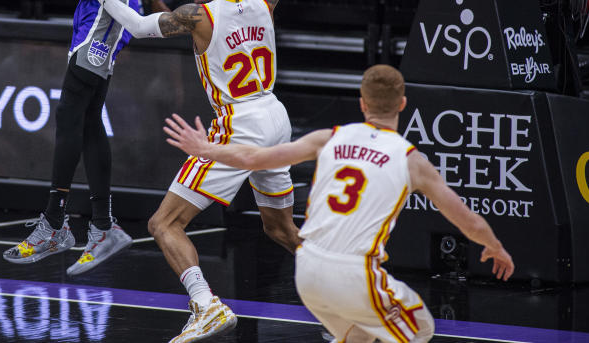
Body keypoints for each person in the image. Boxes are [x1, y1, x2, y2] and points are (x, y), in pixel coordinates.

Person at [88, 0, 300, 343]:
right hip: (275, 116)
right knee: (281, 231)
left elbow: (140, 28)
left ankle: (206, 305)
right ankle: (348, 290)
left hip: (239, 125)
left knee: (164, 223)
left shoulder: (200, 13)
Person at [163, 65, 515, 343]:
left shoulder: (328, 137)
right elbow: (467, 220)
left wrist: (208, 149)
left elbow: (255, 157)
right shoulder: (411, 160)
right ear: (403, 104)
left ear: (362, 104)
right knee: (420, 328)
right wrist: (497, 248)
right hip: (355, 274)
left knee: (358, 334)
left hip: (309, 272)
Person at [3, 0, 163, 275]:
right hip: (87, 6)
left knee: (70, 110)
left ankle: (55, 223)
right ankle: (104, 225)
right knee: (88, 118)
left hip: (110, 13)